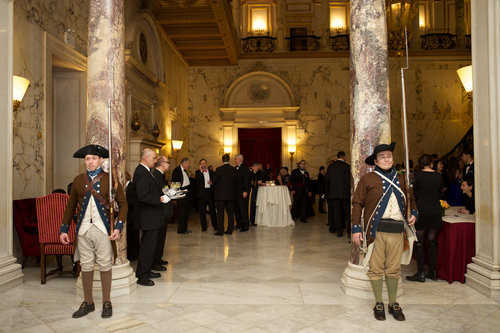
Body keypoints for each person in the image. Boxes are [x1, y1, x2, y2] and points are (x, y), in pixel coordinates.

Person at [59, 144, 127, 318]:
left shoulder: (111, 179)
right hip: (83, 230)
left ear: (101, 160)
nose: (90, 162)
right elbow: (70, 206)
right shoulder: (78, 180)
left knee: (105, 264)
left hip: (103, 229)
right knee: (86, 264)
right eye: (88, 159)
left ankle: (106, 301)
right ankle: (88, 302)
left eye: (93, 159)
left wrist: (118, 227)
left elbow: (124, 204)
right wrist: (64, 229)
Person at [351, 143, 417, 321]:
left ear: (393, 158)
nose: (387, 159)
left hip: (397, 231)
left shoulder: (403, 179)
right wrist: (356, 227)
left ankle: (393, 303)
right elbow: (357, 203)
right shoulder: (368, 179)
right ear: (376, 161)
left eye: (389, 156)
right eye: (382, 157)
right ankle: (379, 302)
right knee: (376, 268)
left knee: (394, 269)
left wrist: (414, 214)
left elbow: (411, 199)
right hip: (376, 232)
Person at [134, 148, 170, 287]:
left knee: (150, 246)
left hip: (152, 216)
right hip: (147, 216)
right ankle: (142, 275)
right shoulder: (141, 172)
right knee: (147, 247)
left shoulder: (146, 172)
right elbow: (142, 195)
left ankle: (147, 270)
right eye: (154, 158)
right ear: (146, 158)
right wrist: (160, 199)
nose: (156, 161)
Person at [406, 154, 443, 282]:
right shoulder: (439, 176)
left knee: (420, 242)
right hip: (435, 209)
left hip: (421, 209)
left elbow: (414, 193)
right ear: (431, 164)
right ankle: (432, 272)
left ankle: (421, 273)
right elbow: (439, 192)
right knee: (432, 241)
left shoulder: (417, 176)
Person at [151, 156, 173, 270]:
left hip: (163, 210)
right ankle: (155, 261)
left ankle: (158, 258)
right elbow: (159, 193)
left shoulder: (161, 175)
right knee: (158, 237)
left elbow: (164, 190)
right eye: (167, 162)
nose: (169, 164)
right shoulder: (156, 175)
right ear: (162, 164)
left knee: (162, 236)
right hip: (160, 210)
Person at [325, 151, 351, 237]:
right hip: (345, 194)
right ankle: (349, 232)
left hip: (334, 194)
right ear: (344, 157)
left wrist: (328, 192)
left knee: (336, 213)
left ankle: (339, 232)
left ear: (337, 157)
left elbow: (327, 181)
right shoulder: (347, 166)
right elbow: (349, 181)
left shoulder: (331, 167)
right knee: (347, 213)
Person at [213, 154, 237, 235]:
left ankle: (221, 231)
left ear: (222, 161)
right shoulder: (233, 169)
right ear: (229, 160)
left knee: (220, 214)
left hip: (220, 195)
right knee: (230, 214)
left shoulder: (219, 169)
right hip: (231, 195)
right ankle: (230, 230)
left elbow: (214, 181)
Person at [195, 158, 217, 231]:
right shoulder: (197, 172)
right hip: (202, 194)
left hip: (210, 193)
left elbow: (215, 181)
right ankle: (204, 227)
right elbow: (197, 182)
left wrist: (212, 182)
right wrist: (201, 172)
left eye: (204, 163)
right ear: (200, 165)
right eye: (202, 164)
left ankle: (215, 226)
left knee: (212, 211)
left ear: (206, 164)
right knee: (202, 211)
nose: (203, 165)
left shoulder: (211, 172)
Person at [171, 158, 192, 234]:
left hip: (186, 193)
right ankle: (181, 229)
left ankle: (185, 228)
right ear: (184, 163)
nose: (189, 165)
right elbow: (174, 184)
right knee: (181, 213)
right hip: (181, 194)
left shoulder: (185, 171)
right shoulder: (176, 171)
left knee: (186, 212)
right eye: (188, 163)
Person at [125, 172, 140, 262]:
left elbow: (133, 201)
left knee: (133, 236)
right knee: (129, 236)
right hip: (128, 215)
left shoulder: (132, 186)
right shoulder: (126, 187)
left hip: (132, 215)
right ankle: (130, 253)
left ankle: (134, 255)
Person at [234, 154, 250, 232]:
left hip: (242, 192)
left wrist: (246, 191)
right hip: (235, 192)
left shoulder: (245, 168)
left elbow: (247, 181)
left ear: (240, 160)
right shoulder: (234, 168)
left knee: (243, 209)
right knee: (236, 209)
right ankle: (239, 224)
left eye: (235, 159)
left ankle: (245, 226)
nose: (234, 161)